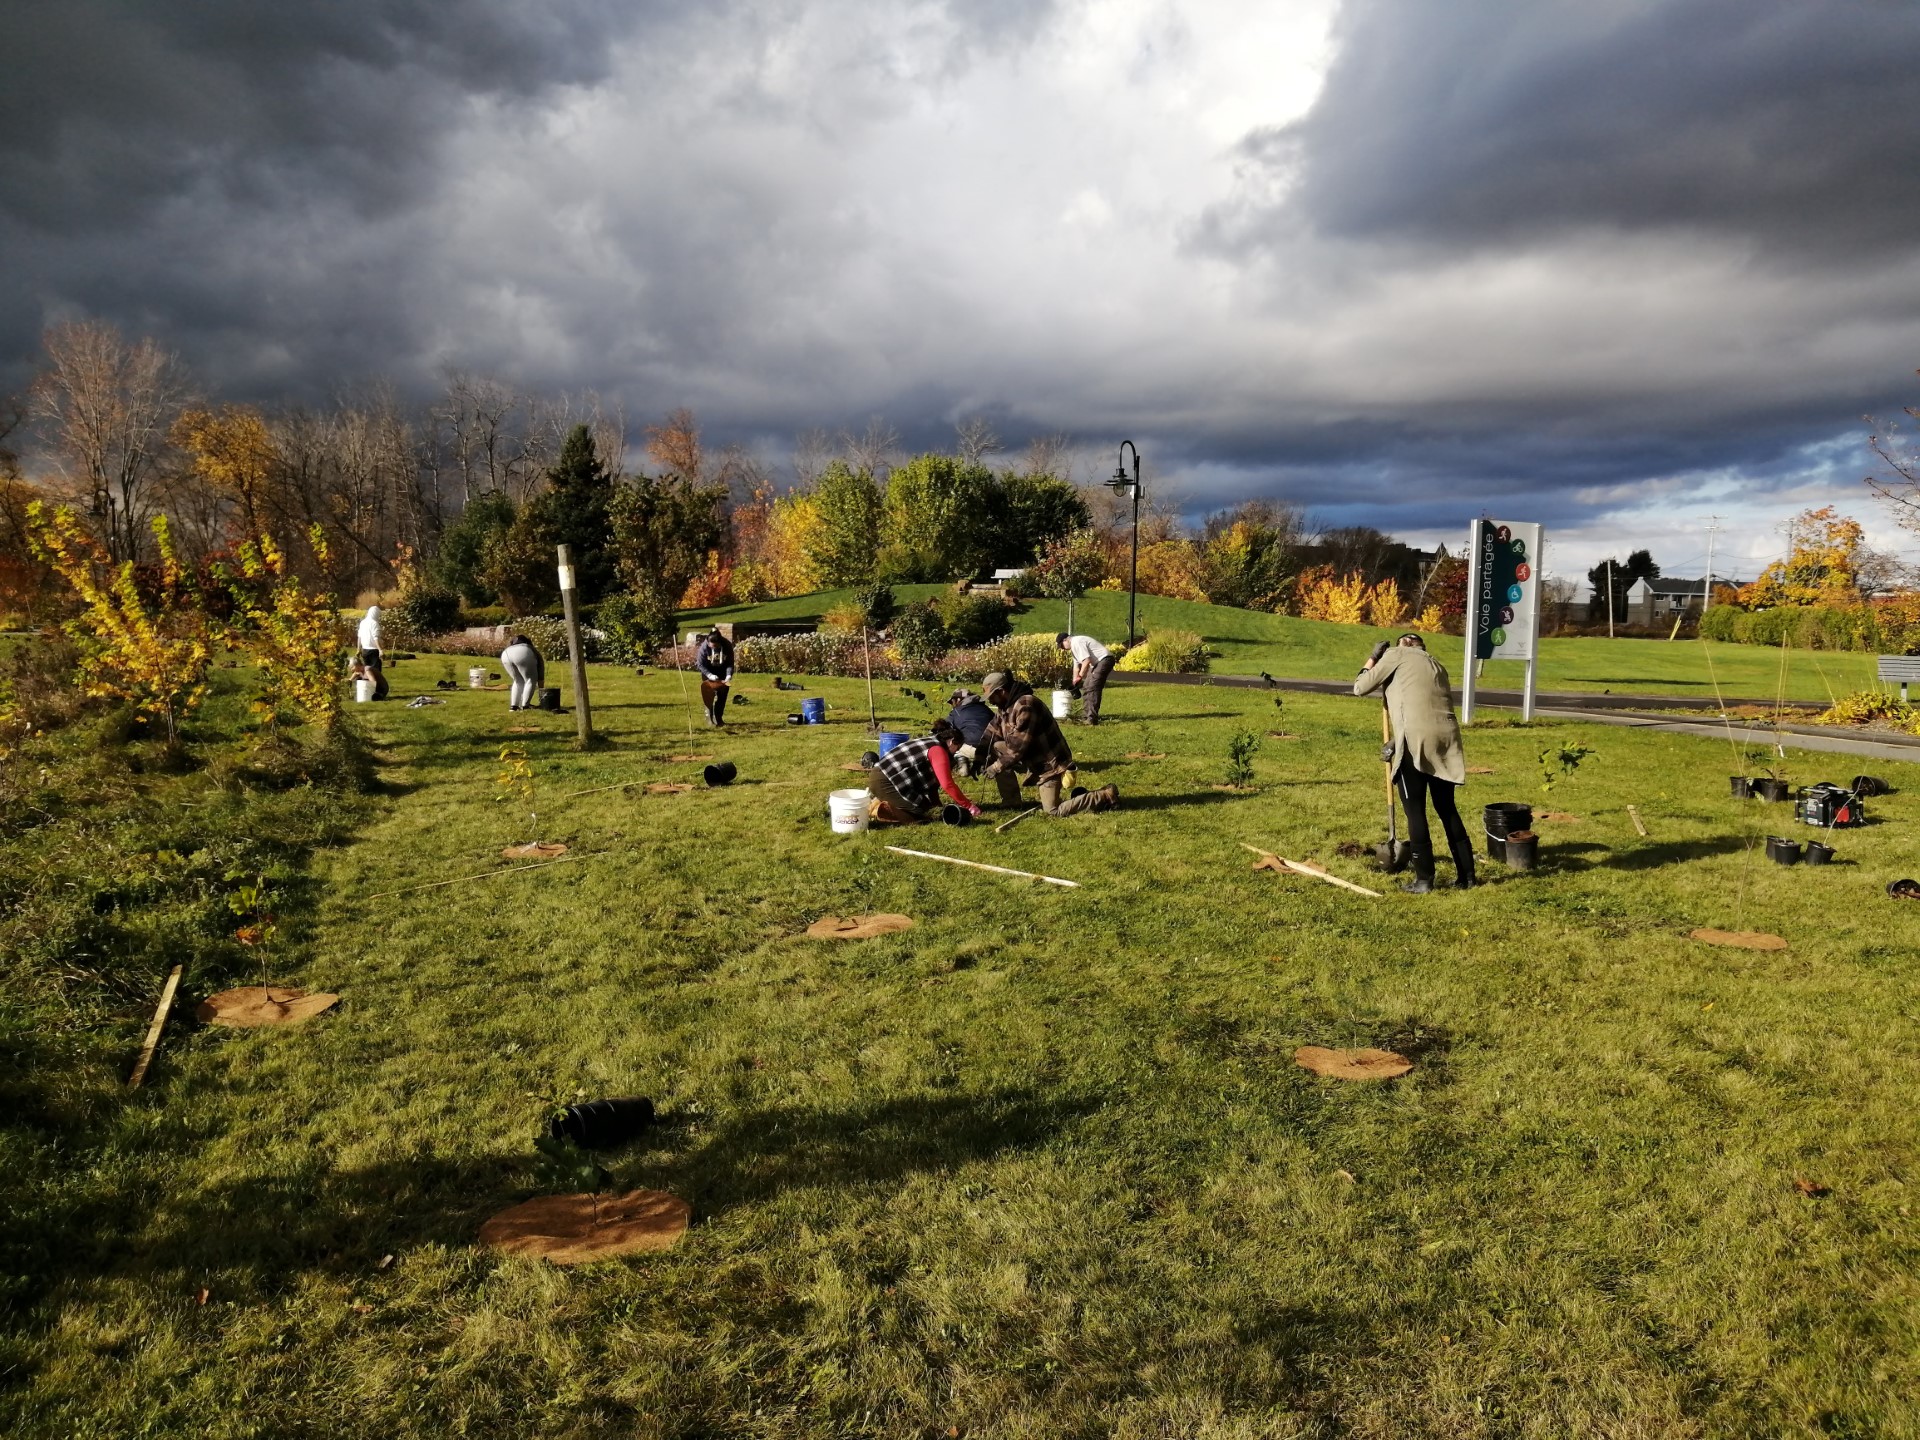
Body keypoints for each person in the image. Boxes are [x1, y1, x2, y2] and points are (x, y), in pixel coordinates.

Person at [1354, 633, 1475, 893]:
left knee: (1415, 810)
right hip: (1445, 739)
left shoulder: (1396, 655)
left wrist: (1374, 657)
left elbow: (1360, 686)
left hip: (1416, 740)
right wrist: (1397, 742)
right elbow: (1425, 708)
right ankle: (1467, 876)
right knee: (1446, 807)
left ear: (1403, 645)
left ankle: (1423, 880)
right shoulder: (1436, 664)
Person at [980, 669, 1117, 816]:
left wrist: (995, 767)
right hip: (1031, 757)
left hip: (1050, 764)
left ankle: (1104, 795)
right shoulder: (1005, 706)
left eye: (991, 696)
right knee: (994, 747)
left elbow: (1016, 749)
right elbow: (991, 732)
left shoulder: (1026, 705)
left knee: (1053, 811)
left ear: (1001, 691)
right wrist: (978, 756)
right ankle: (1011, 801)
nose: (990, 701)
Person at [866, 729, 983, 825]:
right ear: (952, 742)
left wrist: (937, 805)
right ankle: (880, 809)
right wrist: (968, 806)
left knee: (926, 807)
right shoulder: (938, 751)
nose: (955, 752)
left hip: (888, 777)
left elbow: (932, 784)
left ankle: (887, 800)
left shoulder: (931, 742)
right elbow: (947, 784)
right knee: (919, 816)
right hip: (884, 780)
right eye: (957, 748)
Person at [1056, 631, 1115, 724]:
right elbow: (1076, 667)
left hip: (1104, 660)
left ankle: (1091, 718)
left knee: (1092, 687)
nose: (1063, 649)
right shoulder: (1074, 648)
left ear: (1065, 640)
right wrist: (1074, 681)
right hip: (1097, 663)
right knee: (1086, 686)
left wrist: (1080, 676)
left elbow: (1086, 661)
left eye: (1062, 646)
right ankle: (1086, 715)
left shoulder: (1076, 642)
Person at [940, 687, 996, 775]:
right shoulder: (986, 709)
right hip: (992, 748)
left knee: (952, 744)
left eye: (952, 702)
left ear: (958, 700)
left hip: (972, 747)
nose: (952, 705)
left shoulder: (956, 712)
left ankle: (961, 761)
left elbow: (944, 730)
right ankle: (985, 763)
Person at [695, 629, 735, 726]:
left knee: (722, 695)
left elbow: (730, 663)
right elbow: (700, 664)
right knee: (709, 694)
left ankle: (718, 718)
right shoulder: (704, 647)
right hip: (708, 672)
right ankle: (709, 718)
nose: (712, 647)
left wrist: (728, 675)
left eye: (715, 646)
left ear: (720, 642)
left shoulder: (727, 646)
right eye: (711, 645)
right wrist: (709, 675)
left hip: (722, 672)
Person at [501, 634, 545, 711]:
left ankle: (513, 707)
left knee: (517, 680)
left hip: (505, 654)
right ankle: (525, 706)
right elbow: (541, 667)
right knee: (530, 680)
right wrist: (541, 687)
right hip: (523, 653)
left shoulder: (510, 647)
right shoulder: (530, 648)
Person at [356, 605, 389, 701]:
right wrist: (380, 650)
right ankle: (376, 692)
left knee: (366, 671)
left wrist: (358, 649)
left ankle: (366, 692)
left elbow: (359, 637)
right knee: (375, 672)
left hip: (365, 651)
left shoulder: (363, 623)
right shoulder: (374, 623)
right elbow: (375, 638)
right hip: (373, 651)